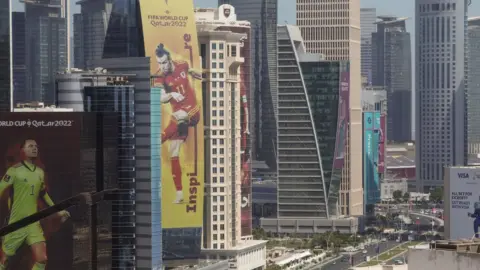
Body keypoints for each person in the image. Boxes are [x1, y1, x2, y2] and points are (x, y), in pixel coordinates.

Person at [0, 139, 69, 270]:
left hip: (33, 224)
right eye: (30, 146)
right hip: (16, 224)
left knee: (42, 259)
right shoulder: (13, 171)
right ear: (23, 151)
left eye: (36, 146)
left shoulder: (39, 172)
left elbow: (43, 194)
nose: (34, 148)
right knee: (4, 261)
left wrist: (58, 210)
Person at [153, 44, 202, 204]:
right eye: (159, 63)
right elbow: (160, 97)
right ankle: (180, 193)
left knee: (178, 117)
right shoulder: (160, 77)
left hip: (192, 111)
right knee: (173, 152)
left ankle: (154, 142)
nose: (162, 67)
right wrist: (170, 94)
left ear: (170, 60)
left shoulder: (182, 64)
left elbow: (188, 70)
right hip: (178, 117)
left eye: (164, 63)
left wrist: (196, 73)